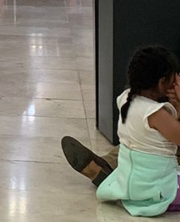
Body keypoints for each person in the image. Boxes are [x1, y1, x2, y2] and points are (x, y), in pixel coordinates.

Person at [59, 46, 180, 217]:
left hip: (131, 177)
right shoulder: (157, 114)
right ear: (161, 83)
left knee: (135, 145)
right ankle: (108, 168)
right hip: (156, 189)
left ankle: (107, 170)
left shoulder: (126, 98)